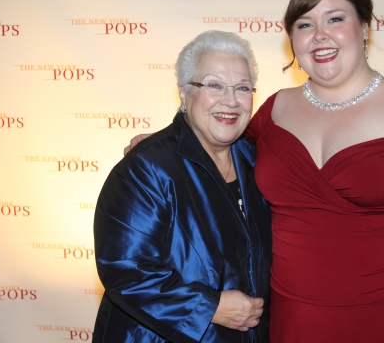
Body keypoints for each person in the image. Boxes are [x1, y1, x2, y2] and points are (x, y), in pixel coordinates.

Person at [127, 0, 384, 343]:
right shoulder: (274, 111)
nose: (320, 36)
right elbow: (213, 138)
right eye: (305, 25)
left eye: (336, 19)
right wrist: (162, 146)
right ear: (292, 39)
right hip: (291, 322)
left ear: (364, 27)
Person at [94, 30, 272, 343]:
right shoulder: (146, 168)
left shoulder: (257, 161)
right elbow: (125, 270)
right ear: (183, 92)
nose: (230, 101)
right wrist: (209, 307)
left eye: (242, 88)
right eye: (214, 85)